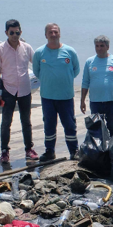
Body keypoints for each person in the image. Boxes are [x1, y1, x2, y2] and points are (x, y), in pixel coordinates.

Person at [0, 19, 37, 164]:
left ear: (21, 32)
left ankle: (29, 149)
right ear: (6, 33)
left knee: (26, 121)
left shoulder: (27, 47)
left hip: (24, 89)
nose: (15, 35)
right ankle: (4, 151)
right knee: (6, 122)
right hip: (8, 90)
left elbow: (37, 64)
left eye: (17, 32)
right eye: (12, 32)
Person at [32, 23, 80, 161]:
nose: (53, 35)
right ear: (45, 35)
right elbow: (37, 71)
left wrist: (64, 79)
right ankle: (49, 151)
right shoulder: (39, 52)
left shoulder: (70, 51)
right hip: (47, 96)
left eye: (55, 32)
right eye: (50, 32)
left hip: (65, 96)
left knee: (70, 125)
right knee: (49, 125)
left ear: (59, 33)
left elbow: (76, 70)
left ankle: (73, 150)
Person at [80, 35, 113, 136]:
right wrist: (82, 101)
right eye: (97, 46)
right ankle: (100, 151)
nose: (99, 48)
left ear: (107, 47)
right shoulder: (89, 61)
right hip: (95, 102)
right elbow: (85, 82)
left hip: (112, 102)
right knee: (97, 130)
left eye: (102, 46)